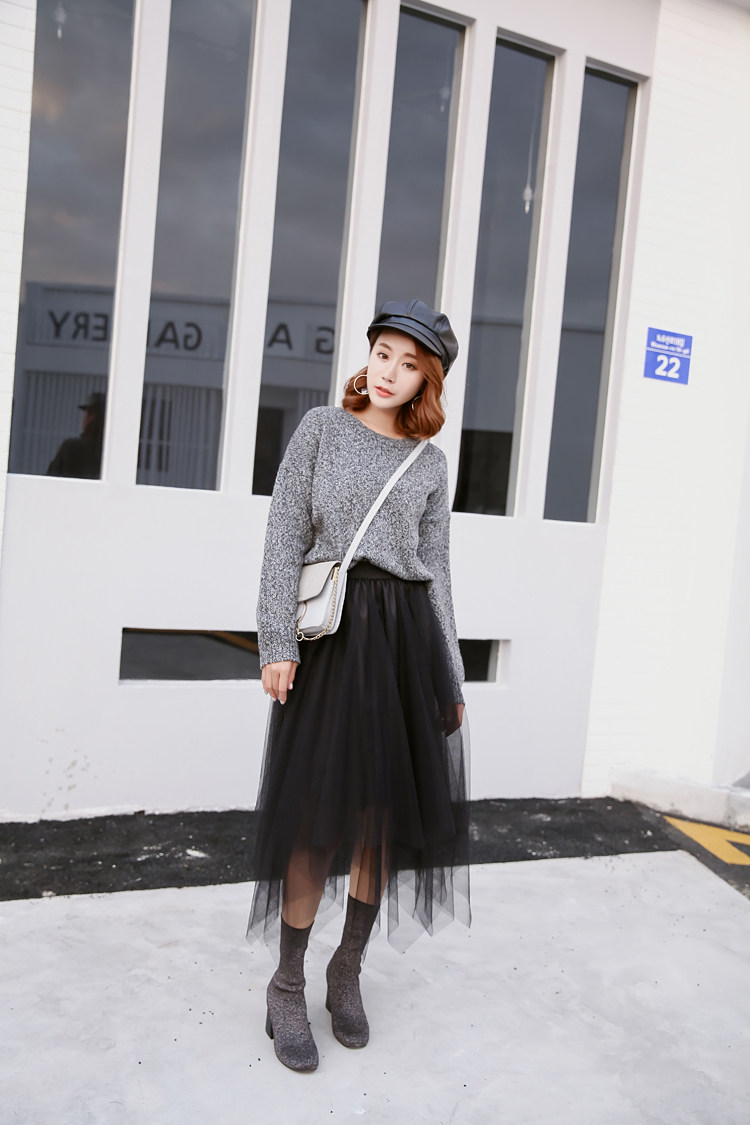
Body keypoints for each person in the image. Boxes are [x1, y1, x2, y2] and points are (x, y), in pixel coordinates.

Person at [248, 298, 470, 1073]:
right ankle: (286, 982)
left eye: (409, 365)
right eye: (383, 354)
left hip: (405, 647)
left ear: (426, 381)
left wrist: (450, 671)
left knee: (379, 821)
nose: (389, 372)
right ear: (367, 353)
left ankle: (347, 970)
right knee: (314, 819)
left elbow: (437, 571)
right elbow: (283, 535)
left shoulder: (429, 464)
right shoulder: (320, 429)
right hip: (334, 645)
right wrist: (276, 640)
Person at [46, 391, 105, 478]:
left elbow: (49, 480)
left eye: (86, 413)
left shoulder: (71, 448)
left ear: (91, 416)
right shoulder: (111, 453)